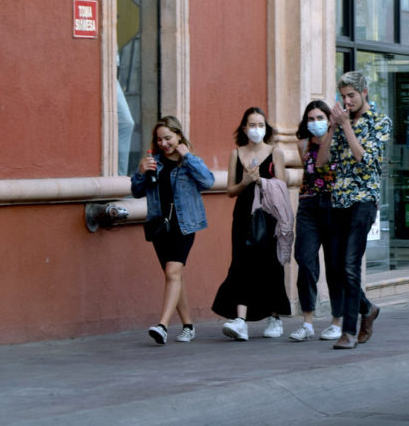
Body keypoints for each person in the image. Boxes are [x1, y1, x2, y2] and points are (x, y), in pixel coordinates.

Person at [317, 71, 392, 349]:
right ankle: (368, 308)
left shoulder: (380, 122)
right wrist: (334, 128)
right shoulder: (341, 123)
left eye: (352, 95)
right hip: (338, 200)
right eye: (343, 96)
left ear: (364, 93)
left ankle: (348, 331)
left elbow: (364, 159)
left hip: (363, 201)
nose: (347, 101)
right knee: (336, 268)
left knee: (350, 264)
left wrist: (347, 126)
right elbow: (323, 161)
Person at [131, 116, 215, 345]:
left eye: (168, 138)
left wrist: (187, 156)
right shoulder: (153, 162)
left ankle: (163, 326)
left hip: (184, 224)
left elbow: (208, 181)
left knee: (172, 274)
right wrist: (140, 173)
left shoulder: (189, 162)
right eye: (159, 140)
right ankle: (188, 325)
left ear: (179, 136)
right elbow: (137, 192)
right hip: (160, 226)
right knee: (174, 277)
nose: (163, 143)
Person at [212, 107, 291, 341]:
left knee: (270, 264)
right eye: (252, 125)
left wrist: (262, 181)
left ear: (265, 128)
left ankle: (275, 316)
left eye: (260, 125)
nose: (256, 129)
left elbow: (282, 185)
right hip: (244, 215)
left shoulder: (275, 152)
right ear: (244, 128)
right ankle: (240, 320)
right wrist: (246, 181)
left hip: (268, 214)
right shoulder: (236, 154)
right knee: (241, 263)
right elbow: (230, 190)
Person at [288, 100, 344, 342]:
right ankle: (308, 322)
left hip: (333, 206)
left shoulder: (339, 142)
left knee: (334, 264)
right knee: (305, 260)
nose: (315, 123)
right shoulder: (303, 144)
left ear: (329, 119)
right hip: (308, 205)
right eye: (310, 119)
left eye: (320, 118)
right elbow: (308, 174)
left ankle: (337, 321)